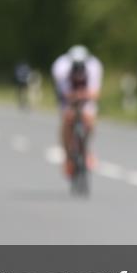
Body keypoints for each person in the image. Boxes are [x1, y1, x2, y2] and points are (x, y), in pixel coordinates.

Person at [51, 45, 103, 176]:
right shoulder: (61, 68)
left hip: (86, 97)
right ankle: (68, 155)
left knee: (89, 120)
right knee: (68, 118)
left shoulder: (94, 67)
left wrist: (85, 96)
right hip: (67, 97)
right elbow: (63, 93)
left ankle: (86, 148)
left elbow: (95, 93)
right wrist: (74, 97)